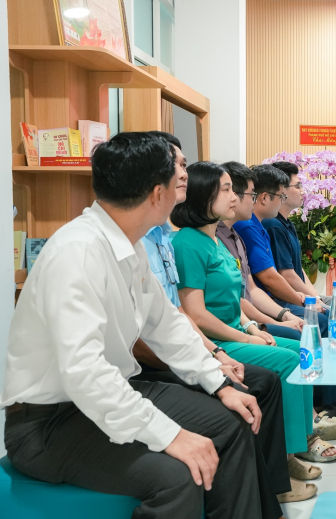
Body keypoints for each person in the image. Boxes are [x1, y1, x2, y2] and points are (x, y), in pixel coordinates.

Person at [1, 132, 269, 518]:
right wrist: (171, 436)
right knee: (178, 474)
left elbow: (166, 325)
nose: (185, 178)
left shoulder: (130, 244)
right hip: (49, 424)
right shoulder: (77, 252)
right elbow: (85, 373)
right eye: (177, 171)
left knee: (232, 419)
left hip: (109, 393)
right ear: (156, 194)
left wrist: (220, 382)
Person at [132, 132, 302, 512]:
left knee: (257, 385)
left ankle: (276, 478)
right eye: (228, 189)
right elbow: (186, 316)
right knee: (259, 387)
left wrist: (222, 351)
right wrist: (216, 356)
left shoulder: (163, 238)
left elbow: (180, 313)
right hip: (147, 366)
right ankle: (276, 481)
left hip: (192, 347)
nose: (184, 176)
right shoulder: (167, 242)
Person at [170, 162, 336, 497]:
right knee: (291, 361)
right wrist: (247, 335)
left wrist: (253, 324)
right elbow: (196, 315)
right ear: (203, 195)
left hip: (237, 330)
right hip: (217, 340)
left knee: (300, 349)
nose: (234, 197)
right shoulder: (188, 243)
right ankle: (285, 463)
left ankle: (299, 442)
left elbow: (238, 297)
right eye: (226, 189)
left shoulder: (216, 241)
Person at [262, 160, 336, 413]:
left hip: (291, 295)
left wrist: (317, 296)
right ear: (281, 192)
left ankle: (331, 393)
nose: (303, 191)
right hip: (278, 300)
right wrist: (309, 301)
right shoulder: (272, 225)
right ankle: (321, 401)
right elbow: (285, 275)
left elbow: (297, 271)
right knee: (321, 320)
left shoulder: (286, 223)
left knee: (331, 311)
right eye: (297, 186)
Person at [233, 164, 329, 336]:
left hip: (267, 301)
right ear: (264, 198)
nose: (283, 200)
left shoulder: (259, 225)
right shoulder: (249, 226)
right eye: (281, 195)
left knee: (326, 312)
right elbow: (272, 278)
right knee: (318, 320)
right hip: (266, 302)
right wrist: (302, 302)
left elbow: (294, 270)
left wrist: (310, 298)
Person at [217, 161, 304, 342]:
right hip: (238, 324)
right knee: (303, 334)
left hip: (248, 318)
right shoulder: (241, 229)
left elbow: (251, 290)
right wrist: (278, 320)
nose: (254, 200)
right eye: (252, 194)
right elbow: (269, 278)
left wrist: (283, 316)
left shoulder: (236, 234)